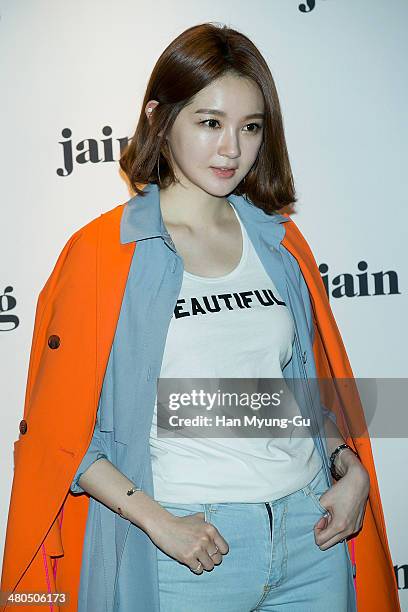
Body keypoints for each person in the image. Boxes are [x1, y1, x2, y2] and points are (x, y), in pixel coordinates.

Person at [1, 22, 400, 612]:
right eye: (210, 122)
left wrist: (348, 469)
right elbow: (61, 439)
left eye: (251, 127)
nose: (232, 149)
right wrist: (160, 522)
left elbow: (294, 399)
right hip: (185, 553)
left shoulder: (281, 244)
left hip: (309, 537)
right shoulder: (102, 255)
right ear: (161, 120)